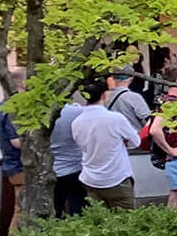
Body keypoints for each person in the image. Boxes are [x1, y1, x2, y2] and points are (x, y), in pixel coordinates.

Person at [71, 94, 143, 211]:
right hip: (117, 177)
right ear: (104, 94)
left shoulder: (76, 122)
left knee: (98, 221)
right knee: (125, 221)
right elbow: (135, 142)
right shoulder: (116, 118)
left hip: (90, 178)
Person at [50, 86, 95, 218]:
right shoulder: (77, 111)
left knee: (54, 210)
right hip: (76, 168)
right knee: (79, 209)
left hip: (51, 169)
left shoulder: (39, 114)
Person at [0, 90, 21, 236]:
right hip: (18, 164)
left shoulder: (3, 105)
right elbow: (16, 141)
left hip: (11, 163)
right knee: (21, 209)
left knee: (20, 208)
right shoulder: (12, 107)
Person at [101, 69, 151, 137]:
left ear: (113, 77)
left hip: (113, 139)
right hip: (132, 141)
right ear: (131, 78)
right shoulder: (134, 97)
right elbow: (147, 119)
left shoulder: (104, 97)